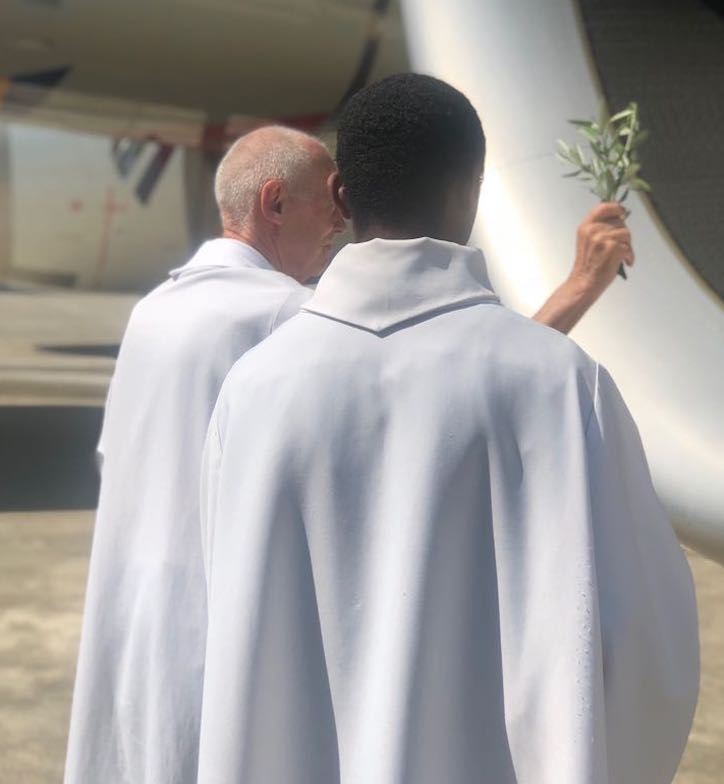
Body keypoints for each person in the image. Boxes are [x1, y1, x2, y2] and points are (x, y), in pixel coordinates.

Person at [198, 73, 698, 784]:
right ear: (474, 190)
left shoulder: (254, 390)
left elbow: (230, 619)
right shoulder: (560, 384)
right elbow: (650, 651)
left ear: (341, 195)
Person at [64, 126, 344, 784]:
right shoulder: (289, 317)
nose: (340, 220)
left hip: (132, 625)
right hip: (218, 640)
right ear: (274, 203)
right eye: (331, 198)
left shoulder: (155, 309)